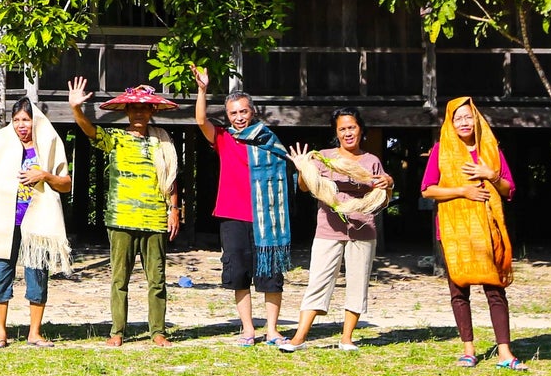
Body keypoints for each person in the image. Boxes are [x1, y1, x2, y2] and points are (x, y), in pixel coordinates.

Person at [0, 85, 72, 348]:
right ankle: (0, 333)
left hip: (37, 222)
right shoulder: (1, 144)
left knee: (37, 275)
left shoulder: (47, 145)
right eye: (17, 120)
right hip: (5, 222)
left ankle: (34, 333)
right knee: (0, 274)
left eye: (26, 120)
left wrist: (44, 175)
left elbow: (66, 183)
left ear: (35, 121)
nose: (21, 125)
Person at [67, 78, 180, 347]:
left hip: (154, 218)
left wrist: (174, 209)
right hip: (121, 217)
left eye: (144, 109)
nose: (139, 113)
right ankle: (117, 331)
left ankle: (158, 331)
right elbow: (91, 132)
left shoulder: (162, 141)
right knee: (120, 278)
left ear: (152, 112)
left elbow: (172, 177)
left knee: (157, 279)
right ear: (126, 112)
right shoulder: (115, 139)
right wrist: (76, 110)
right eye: (133, 108)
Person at [192, 65, 293, 347]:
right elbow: (201, 120)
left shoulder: (268, 140)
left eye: (243, 111)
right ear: (228, 116)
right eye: (233, 113)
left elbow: (289, 168)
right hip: (232, 215)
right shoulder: (224, 138)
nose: (239, 117)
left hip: (268, 217)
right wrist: (203, 89)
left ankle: (272, 330)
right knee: (238, 274)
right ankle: (248, 329)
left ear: (253, 112)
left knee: (271, 276)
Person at [422, 96, 524, 371]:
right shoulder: (441, 150)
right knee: (459, 290)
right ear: (450, 123)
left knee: (495, 289)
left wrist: (489, 174)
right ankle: (469, 350)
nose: (464, 122)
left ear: (476, 119)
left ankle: (505, 352)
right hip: (454, 231)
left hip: (487, 228)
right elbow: (428, 189)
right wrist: (462, 190)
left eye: (468, 117)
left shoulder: (491, 150)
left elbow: (508, 190)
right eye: (458, 118)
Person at [280, 108, 394, 352]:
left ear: (360, 129)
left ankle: (347, 338)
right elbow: (304, 187)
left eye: (351, 127)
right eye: (342, 129)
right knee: (318, 280)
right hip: (328, 228)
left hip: (362, 228)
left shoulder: (371, 161)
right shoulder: (323, 157)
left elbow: (382, 199)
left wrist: (389, 183)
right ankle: (299, 338)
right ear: (336, 133)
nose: (347, 133)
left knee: (358, 281)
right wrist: (303, 168)